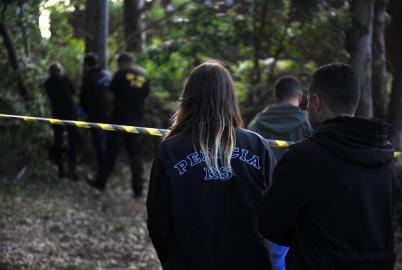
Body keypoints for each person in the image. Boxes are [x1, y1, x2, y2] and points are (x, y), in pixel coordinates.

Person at [259, 63, 398, 270]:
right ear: (355, 102)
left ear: (315, 102)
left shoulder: (304, 158)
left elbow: (269, 224)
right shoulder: (385, 156)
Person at [146, 61, 276, 270]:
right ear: (230, 99)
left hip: (189, 261)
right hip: (249, 260)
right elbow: (275, 213)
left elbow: (158, 219)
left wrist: (171, 259)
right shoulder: (256, 145)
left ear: (188, 99)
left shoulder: (171, 149)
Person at [248, 76, 312, 270]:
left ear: (274, 96)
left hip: (262, 204)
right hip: (300, 207)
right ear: (300, 97)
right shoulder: (308, 124)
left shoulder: (255, 126)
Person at [87, 53, 150, 198]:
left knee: (110, 153)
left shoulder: (119, 75)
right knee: (135, 156)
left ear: (121, 63)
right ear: (131, 62)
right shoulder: (144, 77)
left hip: (119, 120)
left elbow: (109, 95)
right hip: (136, 122)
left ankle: (100, 182)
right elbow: (145, 97)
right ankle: (138, 190)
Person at [44, 62, 78, 180]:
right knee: (72, 140)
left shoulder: (47, 83)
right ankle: (72, 170)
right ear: (60, 71)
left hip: (57, 114)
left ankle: (61, 171)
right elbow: (73, 92)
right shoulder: (66, 79)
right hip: (70, 113)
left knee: (57, 140)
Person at [80, 53, 111, 168]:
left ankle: (102, 167)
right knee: (108, 140)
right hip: (110, 113)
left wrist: (85, 111)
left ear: (87, 64)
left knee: (99, 141)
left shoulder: (88, 77)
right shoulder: (106, 75)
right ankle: (108, 166)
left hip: (95, 114)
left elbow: (84, 98)